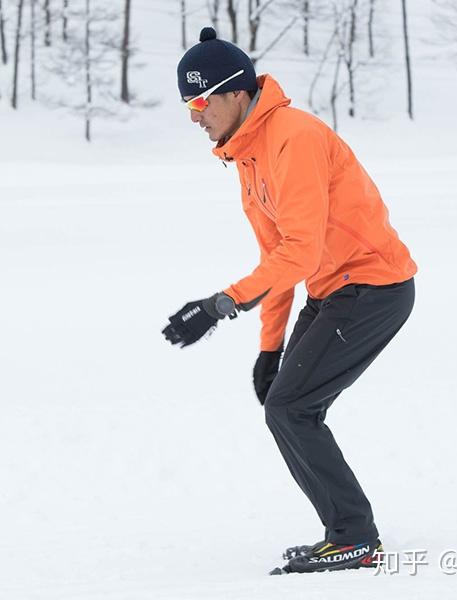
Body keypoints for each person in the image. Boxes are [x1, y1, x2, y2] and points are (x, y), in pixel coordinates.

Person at [161, 27, 418, 575]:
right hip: (334, 290)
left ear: (236, 93)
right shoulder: (248, 156)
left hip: (373, 287)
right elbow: (275, 255)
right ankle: (347, 531)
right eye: (188, 105)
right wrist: (268, 348)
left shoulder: (291, 138)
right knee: (287, 407)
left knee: (290, 409)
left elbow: (299, 254)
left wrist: (218, 305)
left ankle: (353, 536)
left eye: (201, 102)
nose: (195, 117)